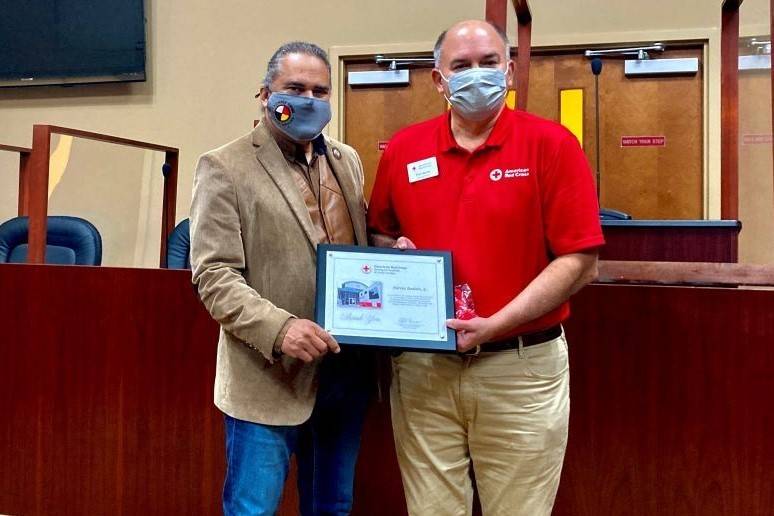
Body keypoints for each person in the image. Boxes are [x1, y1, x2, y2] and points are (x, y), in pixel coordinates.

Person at [367, 20, 605, 516]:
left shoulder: (553, 145)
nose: (476, 75)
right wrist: (395, 253)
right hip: (424, 369)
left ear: (511, 71)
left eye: (489, 63)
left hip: (519, 367)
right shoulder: (404, 150)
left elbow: (580, 261)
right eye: (461, 66)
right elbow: (380, 234)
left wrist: (494, 325)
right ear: (438, 80)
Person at [190, 41, 371, 516]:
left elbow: (356, 249)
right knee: (254, 509)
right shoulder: (224, 166)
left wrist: (393, 253)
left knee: (332, 505)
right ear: (265, 93)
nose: (309, 99)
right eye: (295, 88)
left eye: (320, 90)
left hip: (343, 371)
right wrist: (281, 328)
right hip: (267, 377)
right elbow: (214, 274)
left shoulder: (346, 161)